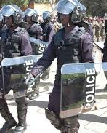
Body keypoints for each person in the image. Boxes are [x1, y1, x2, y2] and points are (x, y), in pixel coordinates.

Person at [29, 0, 93, 132]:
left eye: (65, 13)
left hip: (75, 84)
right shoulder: (58, 35)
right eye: (60, 13)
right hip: (60, 81)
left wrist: (87, 89)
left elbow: (89, 64)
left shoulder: (83, 36)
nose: (60, 16)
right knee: (51, 112)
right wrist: (33, 73)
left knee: (70, 119)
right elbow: (46, 58)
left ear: (74, 14)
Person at [0, 5, 32, 133]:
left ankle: (22, 123)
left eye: (8, 17)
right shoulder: (3, 32)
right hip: (4, 72)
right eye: (4, 17)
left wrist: (27, 75)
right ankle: (9, 120)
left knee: (20, 99)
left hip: (18, 73)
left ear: (15, 18)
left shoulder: (22, 34)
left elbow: (27, 55)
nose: (5, 19)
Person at [24, 8, 43, 100]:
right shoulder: (26, 26)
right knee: (27, 71)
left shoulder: (37, 27)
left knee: (35, 72)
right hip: (27, 52)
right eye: (27, 16)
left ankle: (35, 91)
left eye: (29, 17)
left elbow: (39, 41)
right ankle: (28, 89)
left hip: (35, 52)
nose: (27, 18)